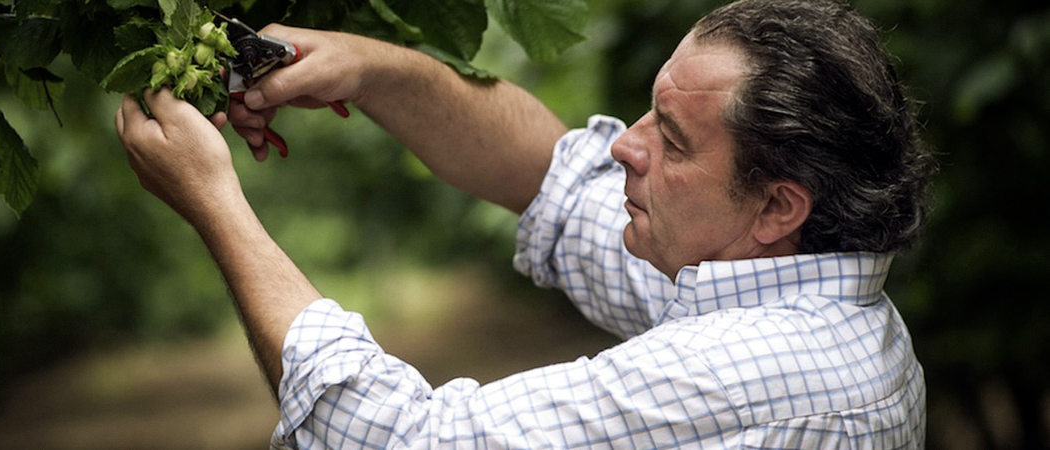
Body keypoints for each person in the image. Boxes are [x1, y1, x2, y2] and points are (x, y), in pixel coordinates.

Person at [114, 0, 933, 447]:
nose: (625, 147)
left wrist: (216, 203)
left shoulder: (753, 370)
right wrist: (370, 69)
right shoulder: (780, 280)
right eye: (649, 113)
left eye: (673, 141)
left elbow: (397, 442)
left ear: (779, 206)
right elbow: (554, 179)